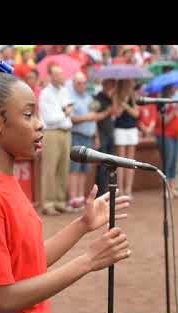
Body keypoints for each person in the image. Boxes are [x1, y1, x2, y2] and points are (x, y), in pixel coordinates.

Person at [0, 56, 131, 313]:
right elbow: (4, 299)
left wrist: (82, 225)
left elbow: (28, 264)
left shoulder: (1, 181)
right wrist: (88, 260)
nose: (40, 123)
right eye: (28, 114)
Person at [39, 63, 75, 215]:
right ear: (51, 76)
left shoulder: (64, 91)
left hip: (66, 132)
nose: (61, 76)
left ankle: (60, 202)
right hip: (52, 133)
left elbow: (69, 110)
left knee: (63, 168)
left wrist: (65, 112)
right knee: (50, 169)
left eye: (62, 73)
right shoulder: (45, 94)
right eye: (58, 74)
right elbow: (50, 118)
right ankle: (48, 203)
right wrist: (65, 113)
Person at [68, 72, 99, 210]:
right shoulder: (70, 99)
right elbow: (71, 119)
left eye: (84, 82)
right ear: (74, 84)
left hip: (88, 136)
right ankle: (72, 198)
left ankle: (80, 197)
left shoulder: (89, 98)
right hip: (77, 135)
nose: (82, 85)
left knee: (84, 169)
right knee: (74, 169)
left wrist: (96, 136)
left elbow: (95, 118)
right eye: (79, 83)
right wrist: (88, 117)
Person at [155, 85, 178, 198]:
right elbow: (162, 121)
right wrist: (173, 113)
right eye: (172, 87)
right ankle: (166, 189)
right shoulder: (160, 102)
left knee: (174, 162)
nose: (175, 89)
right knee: (168, 161)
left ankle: (172, 187)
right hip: (166, 135)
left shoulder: (175, 101)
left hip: (177, 134)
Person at [112, 80, 140, 198]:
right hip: (120, 129)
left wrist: (126, 106)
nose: (131, 84)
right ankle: (121, 190)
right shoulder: (116, 95)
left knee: (131, 161)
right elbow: (116, 114)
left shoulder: (133, 96)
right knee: (121, 161)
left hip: (132, 129)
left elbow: (136, 114)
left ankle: (128, 190)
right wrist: (122, 104)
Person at [94, 79, 118, 196]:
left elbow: (115, 113)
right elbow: (95, 118)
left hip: (110, 133)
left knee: (110, 164)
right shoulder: (97, 98)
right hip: (102, 134)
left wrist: (113, 99)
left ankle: (108, 190)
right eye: (110, 84)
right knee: (102, 165)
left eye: (113, 84)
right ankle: (101, 192)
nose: (112, 86)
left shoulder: (110, 98)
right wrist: (97, 137)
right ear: (104, 84)